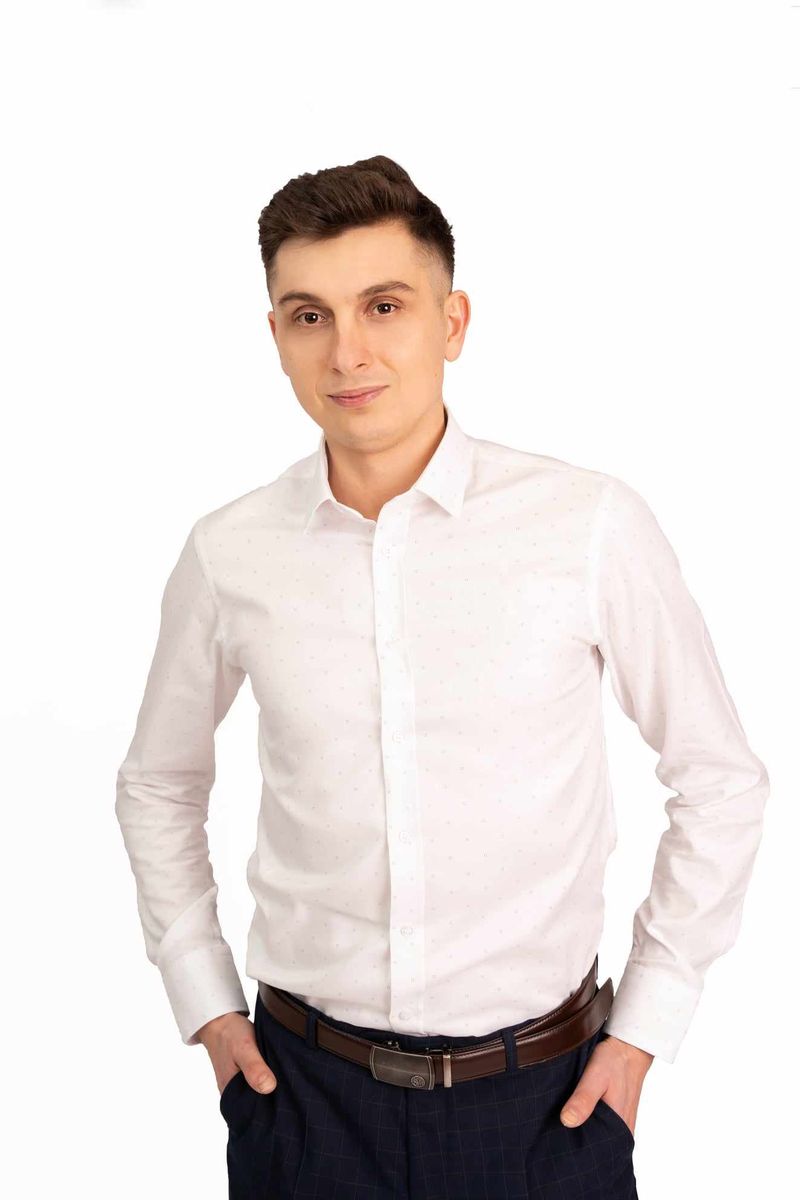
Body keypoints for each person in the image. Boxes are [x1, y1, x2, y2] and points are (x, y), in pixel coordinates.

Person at [115, 154, 769, 1199]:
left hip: (547, 1105)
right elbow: (158, 782)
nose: (348, 351)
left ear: (452, 322)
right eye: (309, 316)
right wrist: (207, 1005)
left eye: (384, 306)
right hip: (303, 1103)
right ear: (276, 337)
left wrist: (644, 1027)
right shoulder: (230, 552)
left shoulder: (586, 525)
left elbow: (719, 777)